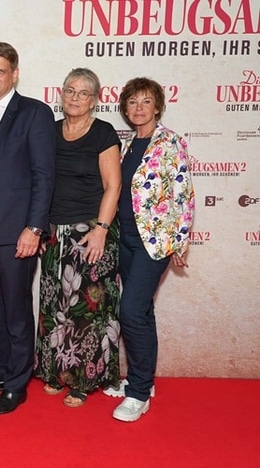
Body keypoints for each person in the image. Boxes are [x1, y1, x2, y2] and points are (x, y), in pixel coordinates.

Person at [0, 41, 56, 415]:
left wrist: (34, 228)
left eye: (0, 71)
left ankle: (18, 384)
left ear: (14, 74)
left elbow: (43, 175)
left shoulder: (34, 113)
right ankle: (2, 371)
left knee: (17, 311)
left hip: (17, 231)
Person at [34, 68, 122, 407]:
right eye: (70, 90)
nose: (75, 97)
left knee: (88, 308)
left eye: (83, 93)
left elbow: (113, 185)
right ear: (62, 93)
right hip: (56, 233)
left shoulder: (103, 133)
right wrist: (41, 227)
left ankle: (84, 379)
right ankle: (56, 372)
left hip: (91, 232)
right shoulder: (50, 132)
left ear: (95, 99)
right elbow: (39, 181)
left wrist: (101, 230)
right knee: (55, 305)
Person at [108, 77, 195, 422]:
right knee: (142, 311)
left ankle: (139, 394)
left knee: (130, 309)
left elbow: (184, 194)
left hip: (154, 241)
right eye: (132, 102)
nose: (139, 108)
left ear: (157, 106)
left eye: (146, 102)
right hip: (126, 238)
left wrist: (181, 239)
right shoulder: (128, 143)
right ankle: (143, 379)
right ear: (125, 109)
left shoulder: (170, 142)